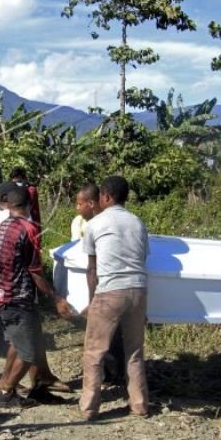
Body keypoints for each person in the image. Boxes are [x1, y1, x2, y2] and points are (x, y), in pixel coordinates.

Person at [0, 185, 73, 407]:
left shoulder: (2, 226)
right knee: (29, 352)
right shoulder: (27, 228)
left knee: (20, 343)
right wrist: (56, 298)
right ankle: (6, 393)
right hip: (17, 297)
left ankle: (34, 388)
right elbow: (34, 271)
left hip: (0, 295)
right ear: (29, 205)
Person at [78, 175, 149, 420]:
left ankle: (89, 407)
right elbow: (143, 258)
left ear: (106, 197)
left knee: (95, 352)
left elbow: (91, 269)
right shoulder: (138, 222)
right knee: (134, 351)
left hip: (109, 291)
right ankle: (139, 405)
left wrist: (91, 302)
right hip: (138, 291)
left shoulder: (95, 224)